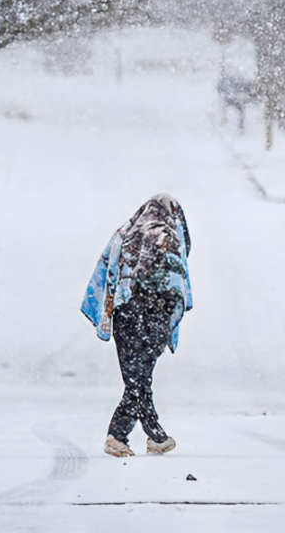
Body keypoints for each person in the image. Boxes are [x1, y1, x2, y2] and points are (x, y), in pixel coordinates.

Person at [81, 194, 192, 457]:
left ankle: (128, 437)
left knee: (136, 380)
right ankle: (146, 435)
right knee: (139, 381)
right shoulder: (168, 237)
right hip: (152, 317)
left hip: (124, 315)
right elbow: (175, 284)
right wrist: (164, 313)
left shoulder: (124, 234)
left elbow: (106, 271)